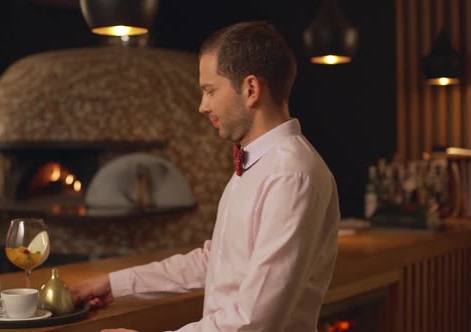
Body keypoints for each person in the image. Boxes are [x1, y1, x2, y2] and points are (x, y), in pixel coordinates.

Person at [70, 21, 340, 332]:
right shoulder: (257, 162)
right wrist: (114, 284)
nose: (203, 106)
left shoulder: (291, 175)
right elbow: (216, 262)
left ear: (250, 89)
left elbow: (256, 320)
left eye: (210, 90)